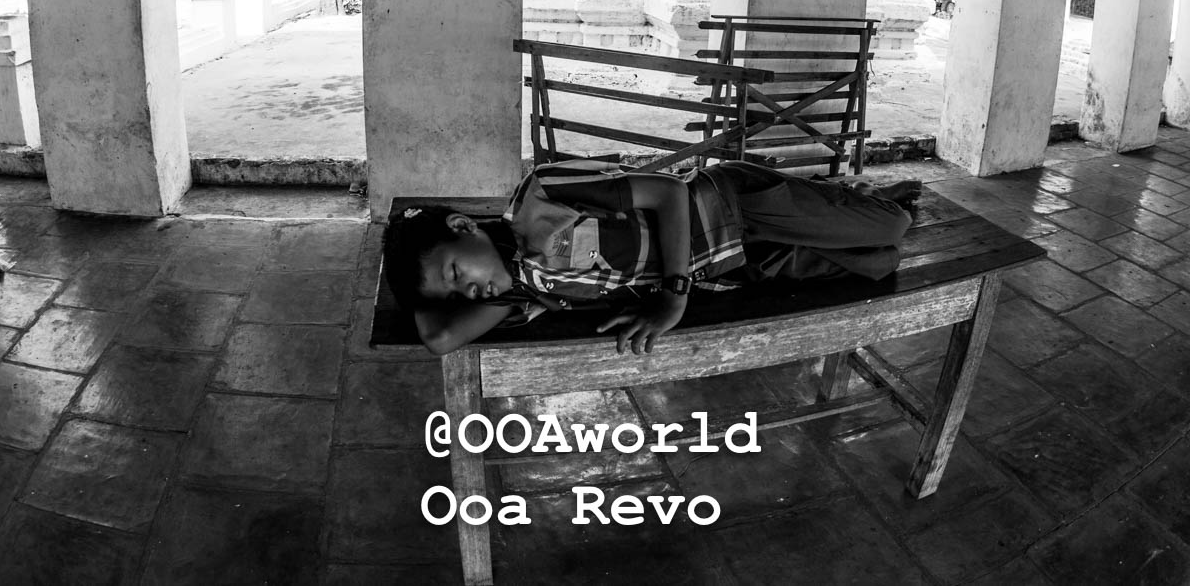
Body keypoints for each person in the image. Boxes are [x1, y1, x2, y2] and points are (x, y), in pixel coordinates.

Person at [386, 160, 919, 356]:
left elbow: (668, 192)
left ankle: (867, 196)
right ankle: (849, 202)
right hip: (741, 266)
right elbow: (439, 338)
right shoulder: (523, 293)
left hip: (734, 210)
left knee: (892, 224)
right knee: (880, 262)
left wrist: (672, 295)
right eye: (457, 295)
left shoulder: (542, 195)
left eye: (457, 273)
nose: (469, 293)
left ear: (463, 226)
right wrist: (421, 285)